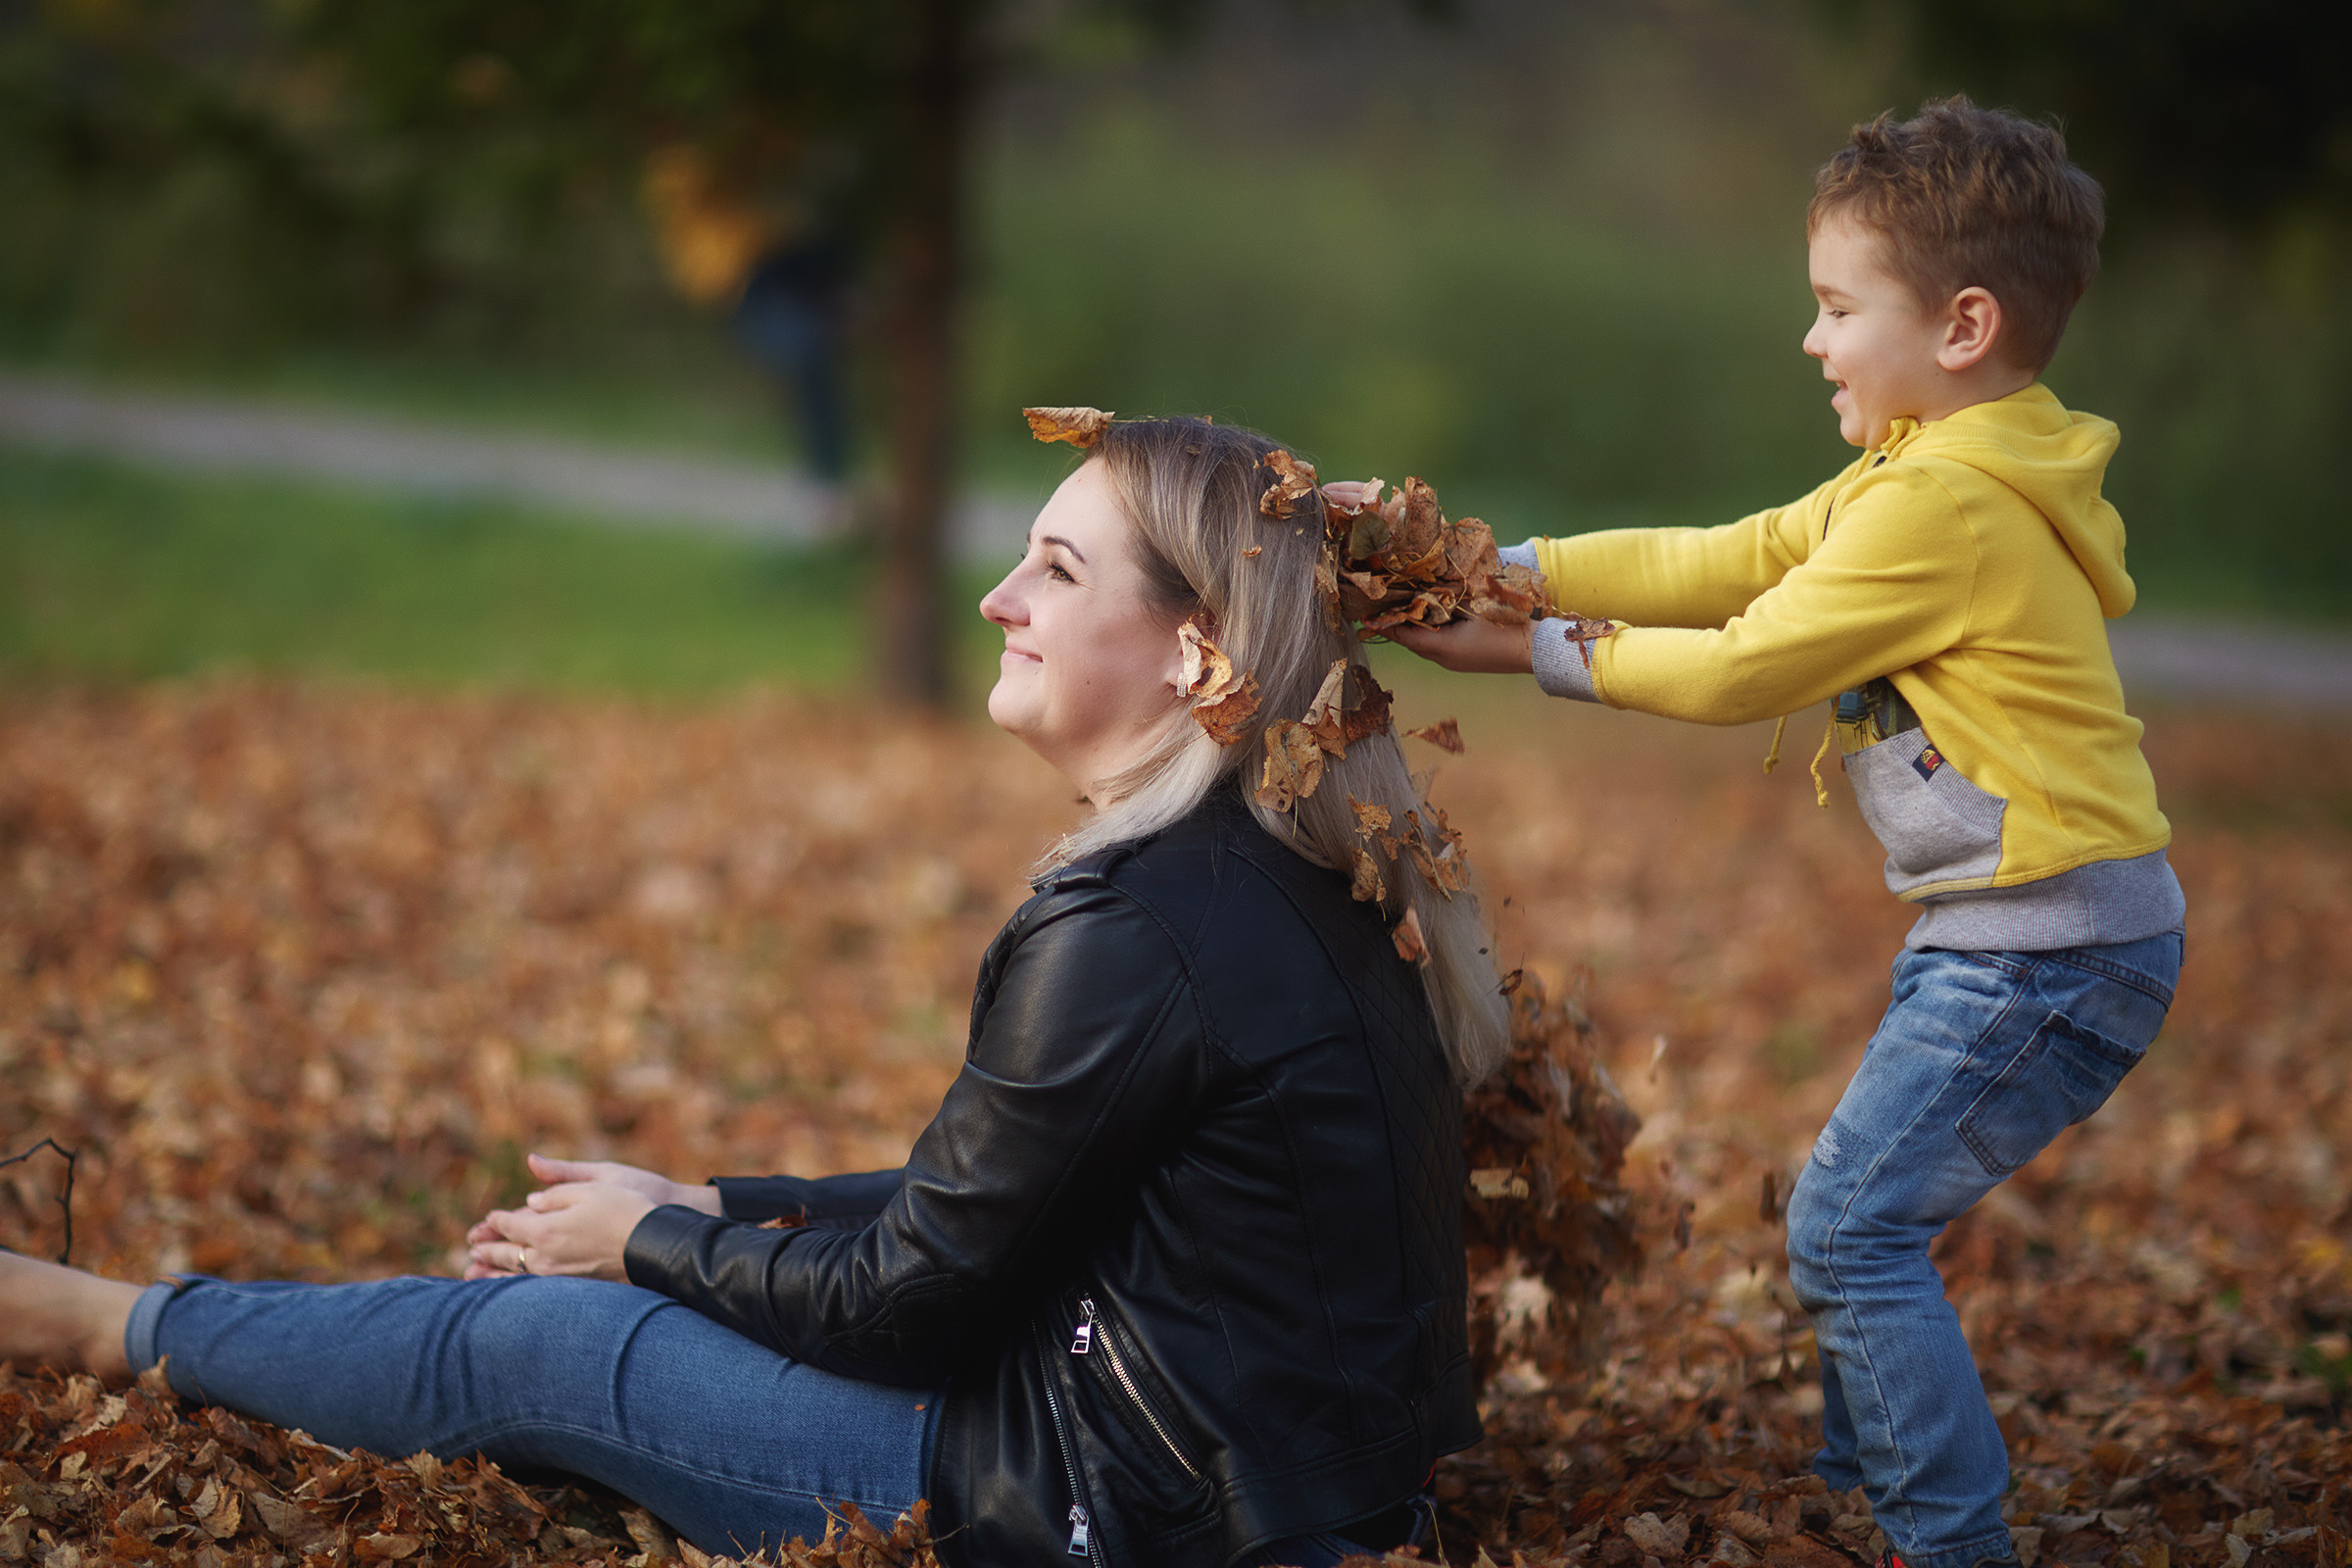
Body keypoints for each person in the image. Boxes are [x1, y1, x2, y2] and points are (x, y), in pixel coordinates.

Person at [0, 416, 1505, 1568]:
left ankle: (103, 1325)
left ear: (1192, 648)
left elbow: (913, 1304)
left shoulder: (1141, 925)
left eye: (1054, 569)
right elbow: (1011, 1201)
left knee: (533, 1344)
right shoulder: (1296, 864)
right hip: (1283, 1486)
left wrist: (645, 1246)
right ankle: (169, 1325)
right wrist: (725, 1203)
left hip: (1114, 1505)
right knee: (583, 1309)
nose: (996, 600)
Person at [1382, 99, 2183, 1568]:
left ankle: (1950, 1542)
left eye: (1835, 307)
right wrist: (1501, 572)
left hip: (2050, 949)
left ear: (1963, 326)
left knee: (1847, 1232)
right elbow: (1729, 558)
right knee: (1858, 1215)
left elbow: (1746, 660)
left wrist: (1535, 653)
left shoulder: (1948, 503)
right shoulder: (1928, 468)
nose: (1811, 340)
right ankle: (1848, 1484)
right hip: (2012, 931)